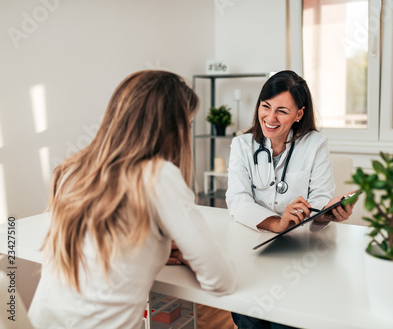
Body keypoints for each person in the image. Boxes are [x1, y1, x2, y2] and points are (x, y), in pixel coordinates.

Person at [28, 70, 236, 329]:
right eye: (189, 125)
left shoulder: (73, 170)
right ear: (171, 129)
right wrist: (186, 252)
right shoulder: (158, 176)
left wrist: (155, 246)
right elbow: (221, 280)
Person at [226, 70, 356, 329]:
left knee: (285, 323)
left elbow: (319, 198)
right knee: (248, 318)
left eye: (282, 111)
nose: (270, 118)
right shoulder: (241, 145)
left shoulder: (315, 144)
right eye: (266, 106)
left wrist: (328, 212)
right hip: (252, 254)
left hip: (298, 257)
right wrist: (276, 222)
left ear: (299, 114)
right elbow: (237, 200)